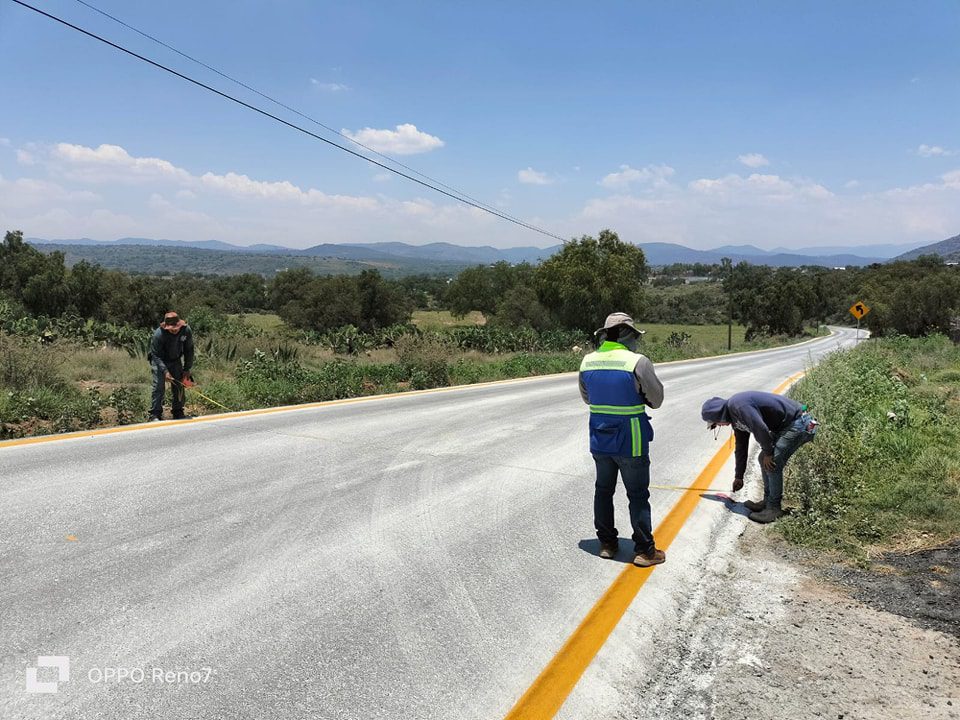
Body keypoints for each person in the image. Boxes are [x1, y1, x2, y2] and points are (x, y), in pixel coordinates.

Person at [579, 312, 665, 566]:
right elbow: (657, 400)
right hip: (632, 439)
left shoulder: (588, 361)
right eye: (635, 336)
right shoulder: (637, 362)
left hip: (600, 437)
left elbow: (587, 398)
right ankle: (644, 551)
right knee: (637, 494)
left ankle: (606, 544)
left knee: (603, 490)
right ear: (628, 334)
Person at [700, 392, 817, 523]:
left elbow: (760, 427)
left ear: (719, 415)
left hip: (798, 422)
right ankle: (767, 502)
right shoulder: (735, 419)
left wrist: (768, 452)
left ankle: (774, 508)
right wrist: (739, 476)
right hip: (785, 426)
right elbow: (741, 447)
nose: (719, 426)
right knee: (763, 459)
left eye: (716, 424)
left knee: (772, 461)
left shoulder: (738, 406)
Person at [148, 311, 195, 421]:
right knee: (158, 387)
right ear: (165, 326)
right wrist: (165, 371)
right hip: (159, 361)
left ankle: (178, 411)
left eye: (176, 327)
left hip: (175, 360)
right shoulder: (158, 334)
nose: (174, 330)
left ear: (180, 325)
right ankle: (155, 413)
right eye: (171, 328)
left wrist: (187, 368)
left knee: (179, 385)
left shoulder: (186, 330)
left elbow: (189, 350)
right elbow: (155, 355)